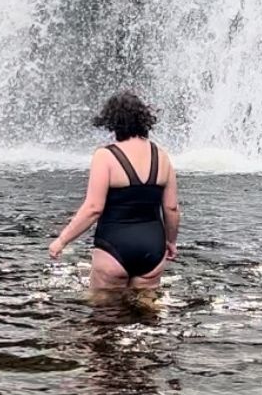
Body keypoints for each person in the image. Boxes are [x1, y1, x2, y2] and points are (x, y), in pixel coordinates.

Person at [48, 91, 181, 295]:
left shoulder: (106, 156)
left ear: (112, 122)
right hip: (152, 248)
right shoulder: (162, 157)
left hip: (113, 246)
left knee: (104, 315)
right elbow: (171, 208)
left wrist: (62, 240)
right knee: (148, 314)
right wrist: (171, 241)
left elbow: (93, 208)